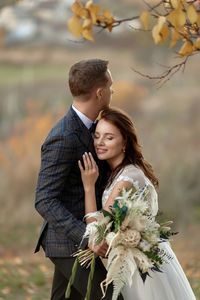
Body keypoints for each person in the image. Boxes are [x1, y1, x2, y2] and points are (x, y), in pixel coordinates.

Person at [78, 107, 196, 300]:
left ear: (124, 142)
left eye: (109, 137)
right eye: (97, 136)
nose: (99, 142)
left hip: (144, 266)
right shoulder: (120, 172)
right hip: (132, 261)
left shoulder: (128, 178)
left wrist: (88, 187)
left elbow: (96, 234)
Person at [34, 59, 124, 300]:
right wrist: (88, 236)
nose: (113, 91)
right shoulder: (63, 137)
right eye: (111, 86)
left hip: (80, 238)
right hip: (68, 243)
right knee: (111, 297)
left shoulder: (95, 127)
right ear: (100, 92)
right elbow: (44, 200)